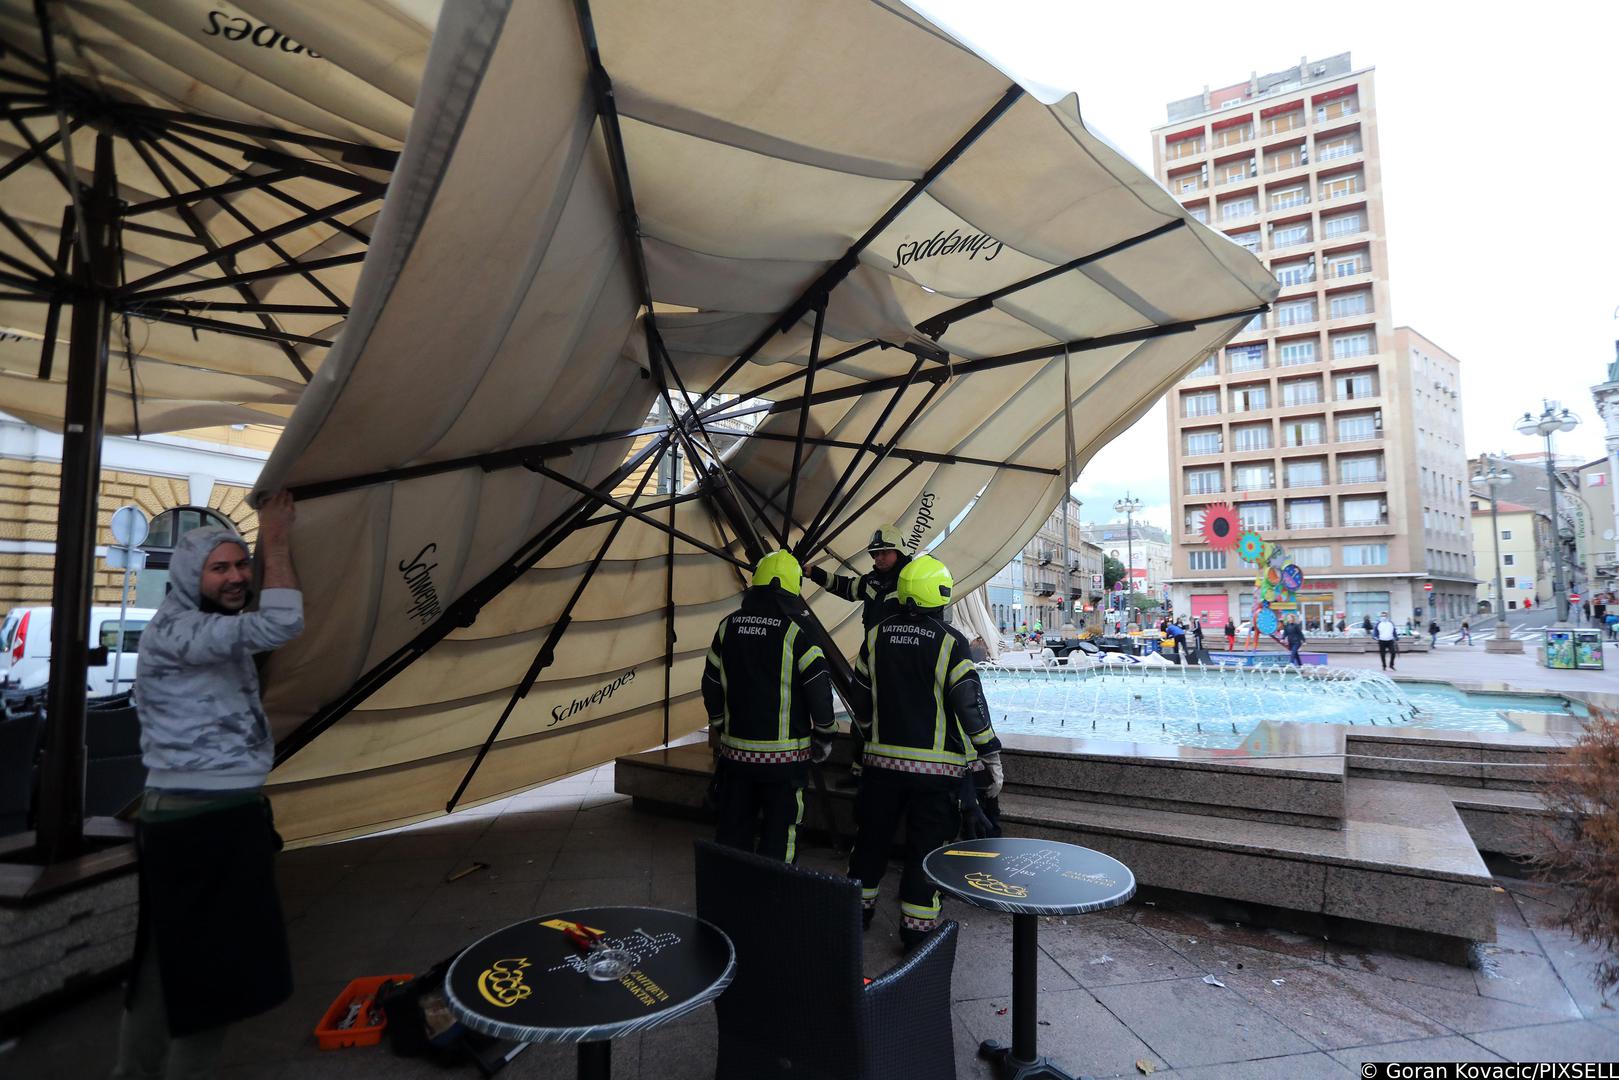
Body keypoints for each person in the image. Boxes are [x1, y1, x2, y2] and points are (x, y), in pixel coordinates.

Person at [115, 493, 303, 1080]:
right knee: (213, 978)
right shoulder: (179, 630)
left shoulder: (206, 626)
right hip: (203, 821)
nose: (236, 577)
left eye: (240, 564)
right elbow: (283, 621)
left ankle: (134, 1072)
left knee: (163, 965)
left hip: (201, 815)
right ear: (186, 576)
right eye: (219, 568)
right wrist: (274, 536)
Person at [846, 555, 1002, 950]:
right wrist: (990, 754)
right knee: (926, 850)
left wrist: (872, 737)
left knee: (870, 841)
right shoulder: (951, 642)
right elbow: (969, 705)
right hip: (937, 775)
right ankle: (916, 931)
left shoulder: (876, 635)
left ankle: (854, 914)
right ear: (941, 596)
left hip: (880, 767)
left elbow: (859, 700)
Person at [702, 550, 835, 863]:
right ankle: (773, 902)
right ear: (792, 587)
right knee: (780, 834)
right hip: (785, 763)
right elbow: (819, 690)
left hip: (735, 757)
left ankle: (728, 901)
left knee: (732, 831)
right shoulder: (798, 632)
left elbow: (710, 683)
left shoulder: (727, 626)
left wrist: (720, 726)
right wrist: (826, 734)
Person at [809, 525, 911, 789]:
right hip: (871, 660)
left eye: (884, 553)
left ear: (897, 552)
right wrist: (814, 573)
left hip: (898, 663)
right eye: (875, 554)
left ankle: (887, 771)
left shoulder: (910, 581)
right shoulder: (871, 581)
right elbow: (844, 587)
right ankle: (858, 771)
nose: (878, 558)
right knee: (861, 714)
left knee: (891, 716)